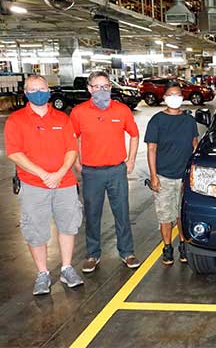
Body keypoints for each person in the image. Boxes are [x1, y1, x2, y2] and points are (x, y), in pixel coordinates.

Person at [4, 75, 84, 295]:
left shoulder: (62, 118)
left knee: (68, 225)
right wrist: (43, 174)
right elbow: (14, 152)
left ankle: (67, 268)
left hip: (65, 182)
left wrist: (59, 173)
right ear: (26, 92)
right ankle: (42, 274)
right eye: (33, 89)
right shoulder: (16, 120)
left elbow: (71, 149)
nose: (38, 92)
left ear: (49, 90)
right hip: (33, 185)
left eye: (42, 88)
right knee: (36, 229)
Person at [70, 71, 141, 272]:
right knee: (92, 214)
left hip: (117, 171)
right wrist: (77, 162)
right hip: (91, 172)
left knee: (122, 213)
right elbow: (71, 138)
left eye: (106, 86)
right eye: (97, 86)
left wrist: (131, 160)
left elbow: (134, 135)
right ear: (89, 89)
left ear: (111, 87)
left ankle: (127, 252)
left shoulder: (122, 110)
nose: (102, 90)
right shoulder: (79, 112)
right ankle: (93, 254)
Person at [145, 82, 199, 265]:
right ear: (165, 97)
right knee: (165, 216)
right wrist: (153, 176)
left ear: (182, 97)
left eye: (177, 94)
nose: (174, 98)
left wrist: (193, 175)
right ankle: (167, 248)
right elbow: (151, 149)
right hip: (164, 176)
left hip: (184, 177)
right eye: (170, 94)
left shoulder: (189, 121)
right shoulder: (157, 121)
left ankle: (183, 246)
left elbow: (194, 146)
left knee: (181, 214)